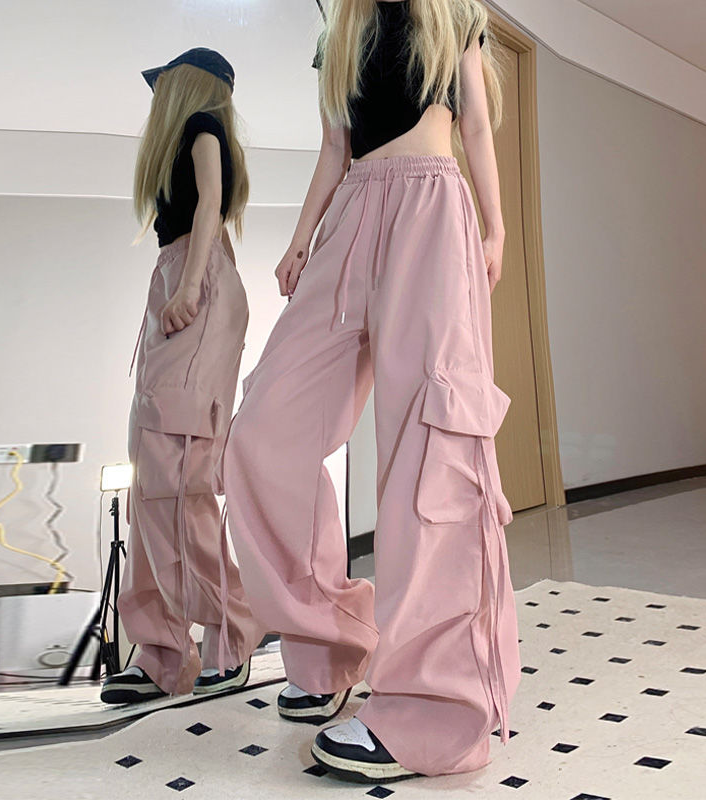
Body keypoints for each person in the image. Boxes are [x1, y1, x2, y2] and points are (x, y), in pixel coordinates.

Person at [221, 0, 522, 782]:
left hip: (432, 204)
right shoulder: (340, 28)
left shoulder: (454, 14)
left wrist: (494, 227)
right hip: (352, 213)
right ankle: (328, 643)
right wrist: (299, 243)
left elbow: (476, 125)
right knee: (264, 431)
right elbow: (334, 147)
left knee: (433, 448)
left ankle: (433, 712)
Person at [101, 48, 266, 705]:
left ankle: (231, 630)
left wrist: (191, 286)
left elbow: (210, 205)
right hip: (176, 279)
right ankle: (162, 655)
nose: (159, 94)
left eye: (165, 82)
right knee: (153, 478)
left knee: (179, 472)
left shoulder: (203, 122)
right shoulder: (190, 134)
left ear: (190, 85)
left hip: (195, 284)